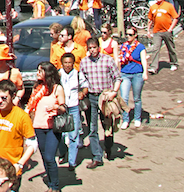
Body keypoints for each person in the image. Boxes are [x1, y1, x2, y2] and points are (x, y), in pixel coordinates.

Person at [0, 79, 37, 188]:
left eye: (4, 98)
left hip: (11, 170)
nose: (0, 101)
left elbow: (33, 144)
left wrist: (19, 164)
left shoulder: (22, 116)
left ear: (13, 97)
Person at [25, 62, 65, 192]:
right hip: (38, 126)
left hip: (52, 128)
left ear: (47, 73)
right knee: (44, 157)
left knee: (49, 157)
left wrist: (56, 108)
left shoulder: (56, 89)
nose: (37, 73)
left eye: (40, 71)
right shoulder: (37, 88)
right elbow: (31, 105)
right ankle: (50, 184)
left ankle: (55, 187)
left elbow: (64, 107)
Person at [82, 37, 121, 165]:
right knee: (92, 127)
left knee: (107, 125)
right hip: (92, 96)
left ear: (98, 48)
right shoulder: (84, 62)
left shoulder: (108, 60)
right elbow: (82, 81)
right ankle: (97, 157)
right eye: (90, 48)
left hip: (105, 97)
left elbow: (117, 78)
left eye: (94, 47)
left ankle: (108, 147)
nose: (92, 50)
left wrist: (114, 92)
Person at [58, 52, 88, 170]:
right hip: (62, 107)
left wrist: (82, 93)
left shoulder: (78, 74)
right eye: (65, 63)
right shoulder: (58, 74)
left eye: (70, 63)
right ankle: (62, 152)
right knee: (59, 133)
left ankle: (72, 162)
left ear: (73, 63)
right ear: (62, 63)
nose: (67, 65)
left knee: (73, 135)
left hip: (74, 107)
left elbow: (85, 86)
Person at [119, 27, 148, 129]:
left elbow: (144, 60)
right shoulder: (123, 46)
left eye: (130, 34)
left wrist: (145, 72)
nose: (128, 36)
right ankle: (125, 119)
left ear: (135, 35)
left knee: (136, 98)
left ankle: (137, 118)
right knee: (124, 97)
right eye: (127, 34)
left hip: (137, 74)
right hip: (125, 73)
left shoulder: (140, 47)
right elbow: (120, 59)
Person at [147, 0, 179, 73]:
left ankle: (174, 63)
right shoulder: (153, 7)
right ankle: (154, 67)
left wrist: (171, 29)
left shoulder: (169, 6)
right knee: (155, 48)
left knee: (171, 48)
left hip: (166, 31)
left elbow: (175, 18)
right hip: (157, 31)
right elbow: (150, 19)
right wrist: (148, 30)